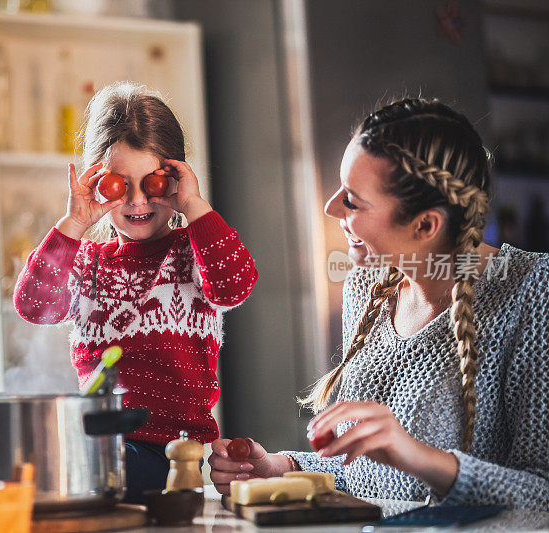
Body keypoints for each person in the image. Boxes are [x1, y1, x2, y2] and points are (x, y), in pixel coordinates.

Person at [0, 82, 257, 508]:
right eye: (119, 185)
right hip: (91, 441)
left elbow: (235, 285)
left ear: (175, 179)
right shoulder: (87, 261)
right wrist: (74, 223)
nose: (136, 201)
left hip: (165, 460)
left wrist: (195, 206)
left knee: (27, 459)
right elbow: (34, 306)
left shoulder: (193, 252)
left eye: (151, 183)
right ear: (97, 182)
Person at [208, 98, 549, 509]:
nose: (330, 207)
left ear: (425, 224)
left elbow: (541, 492)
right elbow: (369, 477)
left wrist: (420, 458)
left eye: (352, 200)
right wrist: (282, 468)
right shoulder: (366, 285)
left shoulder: (531, 293)